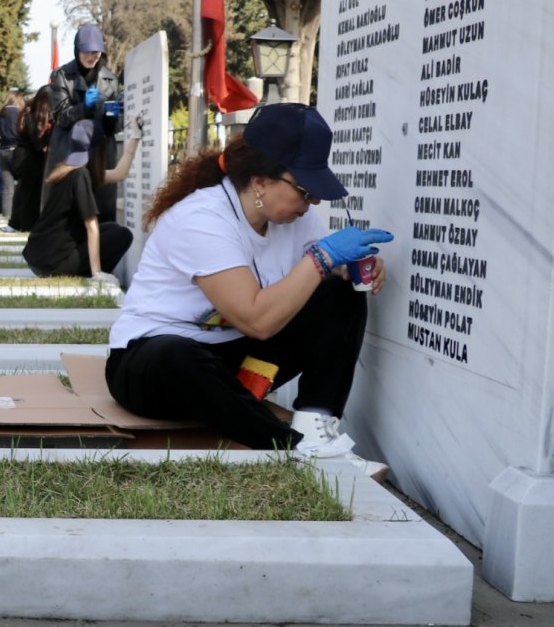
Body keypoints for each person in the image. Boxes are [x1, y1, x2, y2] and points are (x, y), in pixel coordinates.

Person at [102, 103, 394, 457]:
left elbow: (320, 280)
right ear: (260, 182)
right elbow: (256, 320)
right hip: (156, 366)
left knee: (340, 293)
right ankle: (287, 447)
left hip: (237, 365)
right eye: (305, 189)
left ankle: (315, 425)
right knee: (177, 356)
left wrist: (350, 268)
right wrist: (322, 258)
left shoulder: (296, 217)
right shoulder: (202, 218)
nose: (312, 201)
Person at [21, 118, 140, 280]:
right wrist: (97, 273)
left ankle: (92, 270)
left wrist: (135, 138)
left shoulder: (66, 170)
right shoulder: (80, 175)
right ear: (100, 149)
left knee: (112, 229)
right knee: (122, 235)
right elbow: (91, 226)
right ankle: (95, 274)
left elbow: (120, 174)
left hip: (38, 256)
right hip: (53, 264)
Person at [49, 22, 124, 220]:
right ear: (77, 50)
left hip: (101, 152)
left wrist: (113, 117)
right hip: (71, 150)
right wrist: (85, 107)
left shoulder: (111, 80)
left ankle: (100, 250)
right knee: (70, 211)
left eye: (96, 52)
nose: (91, 57)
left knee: (102, 210)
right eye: (86, 52)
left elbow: (115, 127)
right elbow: (60, 116)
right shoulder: (62, 76)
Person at [5, 87, 53, 233]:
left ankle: (16, 223)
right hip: (28, 158)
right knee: (30, 193)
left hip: (25, 156)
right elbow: (37, 142)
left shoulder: (29, 111)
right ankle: (28, 224)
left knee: (23, 191)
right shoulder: (33, 115)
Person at [0, 86, 23, 220]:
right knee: (23, 184)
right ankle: (21, 215)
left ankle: (7, 216)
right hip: (18, 151)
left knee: (7, 187)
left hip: (3, 151)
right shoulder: (21, 113)